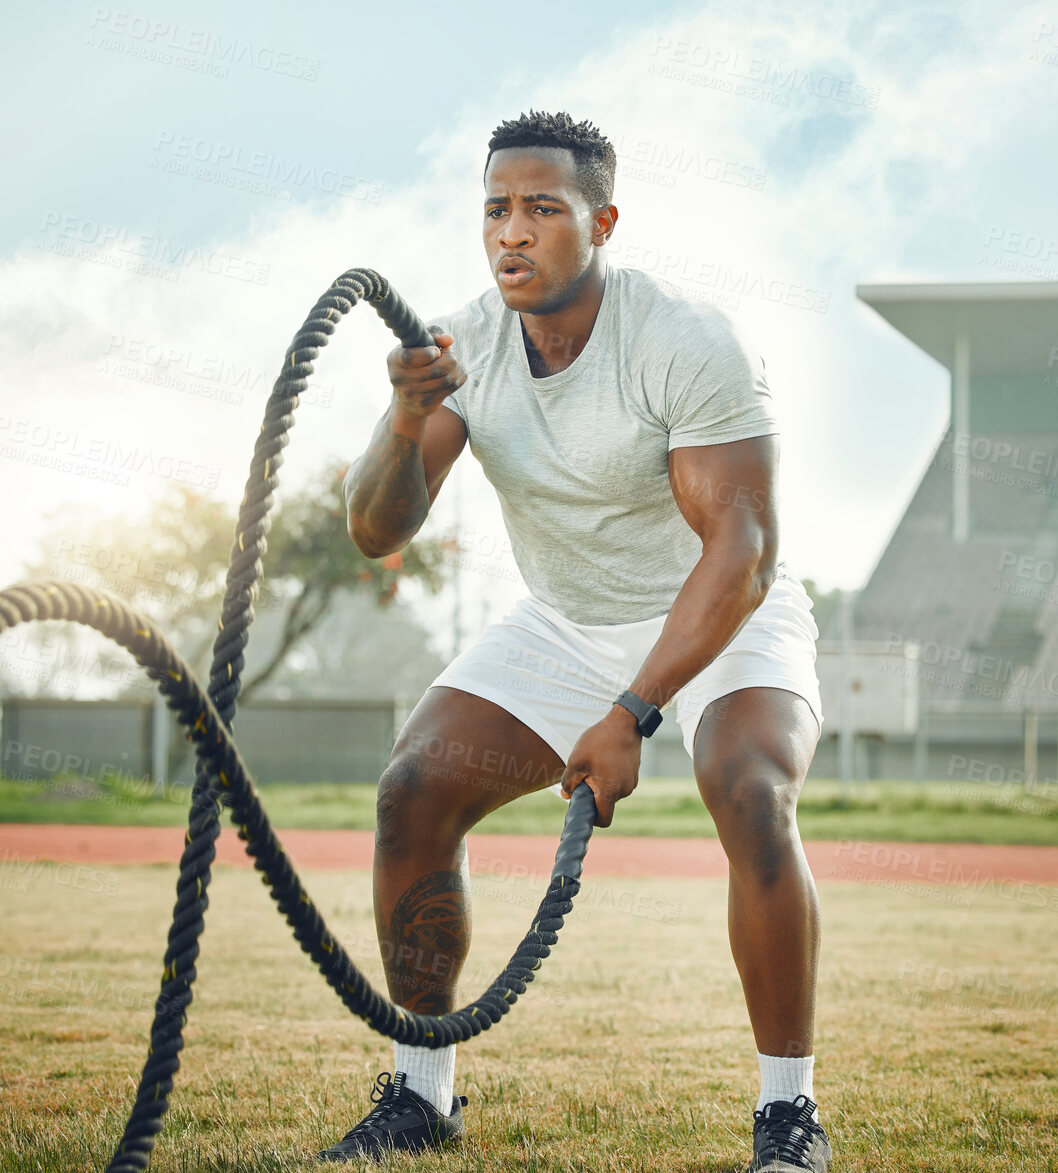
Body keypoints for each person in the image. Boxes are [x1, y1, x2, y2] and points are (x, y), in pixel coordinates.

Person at [327, 109, 830, 1172]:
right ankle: (421, 1095)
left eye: (542, 210)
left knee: (747, 788)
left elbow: (739, 550)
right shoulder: (465, 350)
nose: (513, 232)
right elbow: (377, 531)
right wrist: (398, 416)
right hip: (566, 621)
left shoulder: (684, 338)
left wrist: (632, 713)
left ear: (600, 222)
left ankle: (786, 1114)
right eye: (496, 210)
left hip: (719, 610)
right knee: (412, 790)